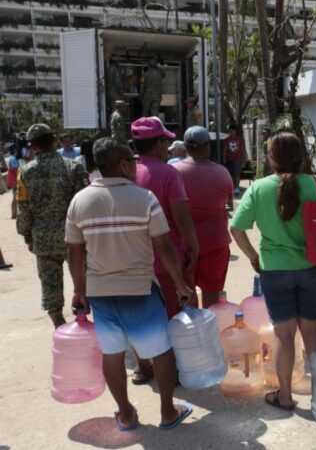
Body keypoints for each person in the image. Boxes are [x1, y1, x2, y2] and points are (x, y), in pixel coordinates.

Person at [66, 138, 194, 431]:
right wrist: (180, 284)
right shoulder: (145, 198)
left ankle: (125, 413)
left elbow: (75, 253)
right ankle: (167, 412)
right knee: (160, 351)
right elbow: (164, 247)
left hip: (100, 294)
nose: (135, 166)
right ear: (123, 164)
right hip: (139, 291)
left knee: (112, 354)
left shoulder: (79, 201)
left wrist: (78, 290)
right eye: (132, 161)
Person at [230, 132, 316, 411]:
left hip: (274, 271)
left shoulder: (258, 188)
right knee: (312, 331)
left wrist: (253, 257)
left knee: (283, 336)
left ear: (271, 158)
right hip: (311, 267)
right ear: (300, 156)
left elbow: (236, 228)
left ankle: (284, 396)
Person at [131, 116, 198, 384]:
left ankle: (142, 367)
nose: (167, 147)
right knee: (173, 313)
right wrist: (194, 245)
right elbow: (181, 216)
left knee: (138, 316)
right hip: (167, 256)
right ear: (158, 144)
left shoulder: (126, 173)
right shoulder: (169, 173)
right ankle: (173, 370)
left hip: (135, 258)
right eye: (165, 141)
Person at [16, 124, 89, 327]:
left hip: (42, 238)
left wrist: (27, 236)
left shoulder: (25, 172)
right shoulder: (73, 167)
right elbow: (85, 204)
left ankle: (59, 326)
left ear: (33, 147)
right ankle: (91, 325)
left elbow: (23, 208)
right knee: (85, 281)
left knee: (50, 285)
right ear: (55, 139)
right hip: (74, 238)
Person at [173, 126, 234, 308]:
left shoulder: (174, 172)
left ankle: (191, 333)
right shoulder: (222, 173)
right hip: (215, 243)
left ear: (185, 147)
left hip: (183, 245)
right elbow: (228, 202)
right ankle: (209, 332)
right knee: (212, 296)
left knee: (187, 293)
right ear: (208, 146)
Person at [225, 124, 247, 196]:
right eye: (230, 131)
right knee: (230, 174)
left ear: (235, 131)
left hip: (238, 159)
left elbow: (242, 149)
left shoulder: (240, 139)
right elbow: (225, 150)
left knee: (237, 173)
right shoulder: (227, 140)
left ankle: (237, 188)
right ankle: (231, 187)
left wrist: (244, 158)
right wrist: (224, 158)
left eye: (232, 131)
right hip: (229, 159)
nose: (231, 132)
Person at [6, 142, 21, 219]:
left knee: (14, 197)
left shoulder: (11, 158)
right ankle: (13, 215)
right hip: (15, 181)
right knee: (15, 197)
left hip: (12, 180)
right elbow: (16, 171)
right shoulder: (14, 158)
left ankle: (14, 214)